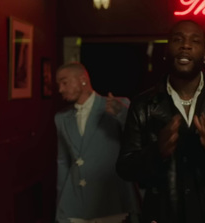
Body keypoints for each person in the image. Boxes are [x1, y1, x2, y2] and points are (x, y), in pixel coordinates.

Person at [116, 20, 205, 223]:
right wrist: (156, 151)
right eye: (178, 39)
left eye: (195, 40)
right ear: (167, 50)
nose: (186, 45)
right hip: (164, 214)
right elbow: (125, 167)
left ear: (204, 54)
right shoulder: (143, 105)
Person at [54, 62, 141, 223]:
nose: (60, 89)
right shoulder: (61, 118)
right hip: (75, 203)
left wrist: (121, 113)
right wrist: (61, 203)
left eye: (64, 82)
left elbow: (140, 138)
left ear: (82, 80)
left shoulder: (116, 105)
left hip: (111, 200)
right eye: (58, 84)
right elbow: (63, 163)